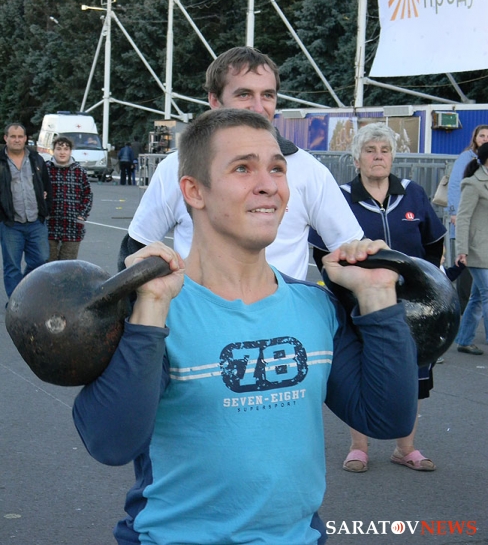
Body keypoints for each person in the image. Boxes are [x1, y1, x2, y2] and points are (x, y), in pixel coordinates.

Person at [73, 109, 418, 545]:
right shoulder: (152, 310)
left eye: (277, 169)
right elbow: (109, 443)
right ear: (194, 191)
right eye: (242, 168)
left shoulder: (316, 307)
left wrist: (378, 297)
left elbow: (387, 419)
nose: (269, 184)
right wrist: (151, 308)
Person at [123, 47, 363, 279]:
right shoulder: (176, 167)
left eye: (267, 95)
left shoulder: (309, 170)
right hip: (196, 305)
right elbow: (137, 250)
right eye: (244, 94)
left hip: (283, 307)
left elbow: (348, 254)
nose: (258, 107)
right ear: (215, 100)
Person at [309, 123, 446, 473]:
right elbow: (322, 252)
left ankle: (406, 448)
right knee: (363, 370)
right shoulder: (340, 196)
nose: (378, 157)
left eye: (384, 151)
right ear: (356, 159)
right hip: (359, 303)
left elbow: (433, 244)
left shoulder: (413, 194)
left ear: (393, 157)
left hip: (412, 307)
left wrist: (423, 287)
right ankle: (359, 447)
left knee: (412, 373)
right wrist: (346, 290)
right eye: (370, 151)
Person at [0, 122, 52, 299]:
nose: (17, 140)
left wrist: (45, 209)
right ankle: (16, 303)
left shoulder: (36, 159)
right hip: (11, 224)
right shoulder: (1, 161)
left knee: (40, 261)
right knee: (12, 266)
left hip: (36, 222)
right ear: (6, 138)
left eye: (20, 136)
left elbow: (46, 186)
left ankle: (26, 296)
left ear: (25, 139)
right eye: (13, 136)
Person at [447, 125, 488, 312]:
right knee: (466, 270)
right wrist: (454, 212)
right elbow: (456, 185)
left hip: (481, 228)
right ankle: (461, 306)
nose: (485, 138)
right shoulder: (466, 158)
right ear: (475, 138)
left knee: (478, 292)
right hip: (468, 225)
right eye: (482, 135)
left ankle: (466, 322)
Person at [454, 141, 488, 355]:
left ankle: (464, 340)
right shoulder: (473, 184)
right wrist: (462, 250)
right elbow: (463, 218)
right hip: (477, 249)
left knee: (477, 298)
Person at [45, 136, 93, 261]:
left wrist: (81, 215)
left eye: (66, 149)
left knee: (68, 265)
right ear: (53, 151)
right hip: (49, 224)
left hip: (73, 225)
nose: (62, 152)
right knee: (48, 265)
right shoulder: (45, 169)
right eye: (59, 149)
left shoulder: (79, 171)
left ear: (70, 151)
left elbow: (88, 195)